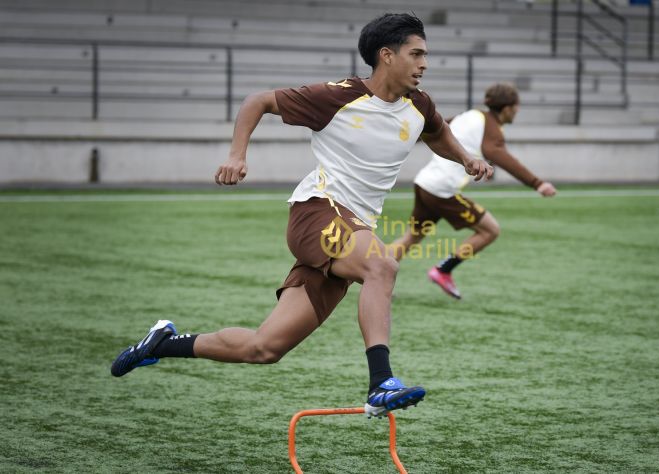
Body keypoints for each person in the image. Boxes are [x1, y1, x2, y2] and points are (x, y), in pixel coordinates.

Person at [110, 13, 492, 418]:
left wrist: (467, 158)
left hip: (350, 230)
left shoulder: (420, 104)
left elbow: (439, 134)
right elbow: (259, 101)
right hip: (318, 211)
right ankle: (381, 382)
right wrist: (237, 156)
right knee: (382, 264)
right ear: (386, 55)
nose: (424, 64)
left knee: (265, 347)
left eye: (425, 55)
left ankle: (162, 343)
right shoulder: (337, 95)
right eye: (416, 54)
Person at [390, 83, 556, 299]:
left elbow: (437, 127)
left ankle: (373, 273)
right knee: (490, 230)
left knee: (412, 238)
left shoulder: (471, 115)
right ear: (507, 108)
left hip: (425, 183)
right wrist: (537, 183)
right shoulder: (492, 127)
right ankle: (443, 270)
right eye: (516, 107)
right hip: (442, 190)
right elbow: (498, 154)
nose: (517, 111)